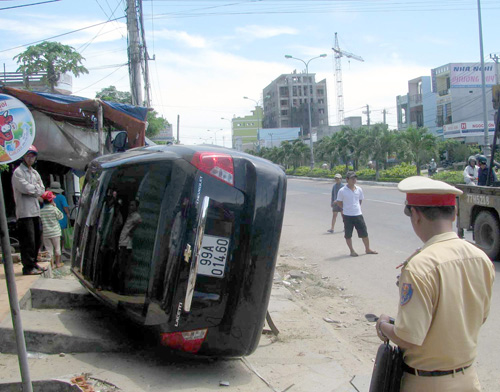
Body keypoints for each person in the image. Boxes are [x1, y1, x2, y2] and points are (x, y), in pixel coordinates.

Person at [375, 176, 495, 391]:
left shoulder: (420, 265)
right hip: (469, 379)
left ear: (415, 214)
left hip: (426, 383)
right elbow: (480, 317)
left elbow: (408, 337)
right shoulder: (481, 258)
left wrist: (383, 325)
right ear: (454, 213)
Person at [11, 145, 46, 275]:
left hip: (35, 210)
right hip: (24, 212)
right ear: (23, 157)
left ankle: (34, 263)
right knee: (28, 241)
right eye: (28, 156)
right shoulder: (18, 172)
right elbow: (26, 189)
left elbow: (41, 189)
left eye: (33, 156)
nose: (30, 158)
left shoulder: (35, 173)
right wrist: (35, 190)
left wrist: (35, 190)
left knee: (37, 239)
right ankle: (28, 267)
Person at [335, 171, 377, 257]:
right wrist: (346, 208)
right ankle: (352, 250)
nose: (354, 180)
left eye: (355, 178)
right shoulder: (342, 191)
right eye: (352, 178)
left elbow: (360, 200)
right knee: (348, 234)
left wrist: (356, 208)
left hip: (358, 214)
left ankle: (367, 249)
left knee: (364, 232)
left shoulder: (359, 189)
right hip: (347, 215)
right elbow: (339, 202)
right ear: (347, 179)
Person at [114, 199, 142, 293]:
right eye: (130, 205)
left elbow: (140, 223)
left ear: (136, 207)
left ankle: (123, 289)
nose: (130, 207)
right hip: (122, 243)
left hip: (126, 245)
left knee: (123, 268)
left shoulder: (136, 216)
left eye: (132, 205)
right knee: (120, 266)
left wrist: (132, 231)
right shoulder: (129, 216)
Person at [39, 191, 64, 269]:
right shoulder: (53, 209)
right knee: (57, 248)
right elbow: (61, 216)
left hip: (46, 233)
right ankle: (58, 263)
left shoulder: (41, 211)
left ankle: (51, 265)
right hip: (55, 232)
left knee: (49, 249)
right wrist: (55, 207)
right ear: (51, 200)